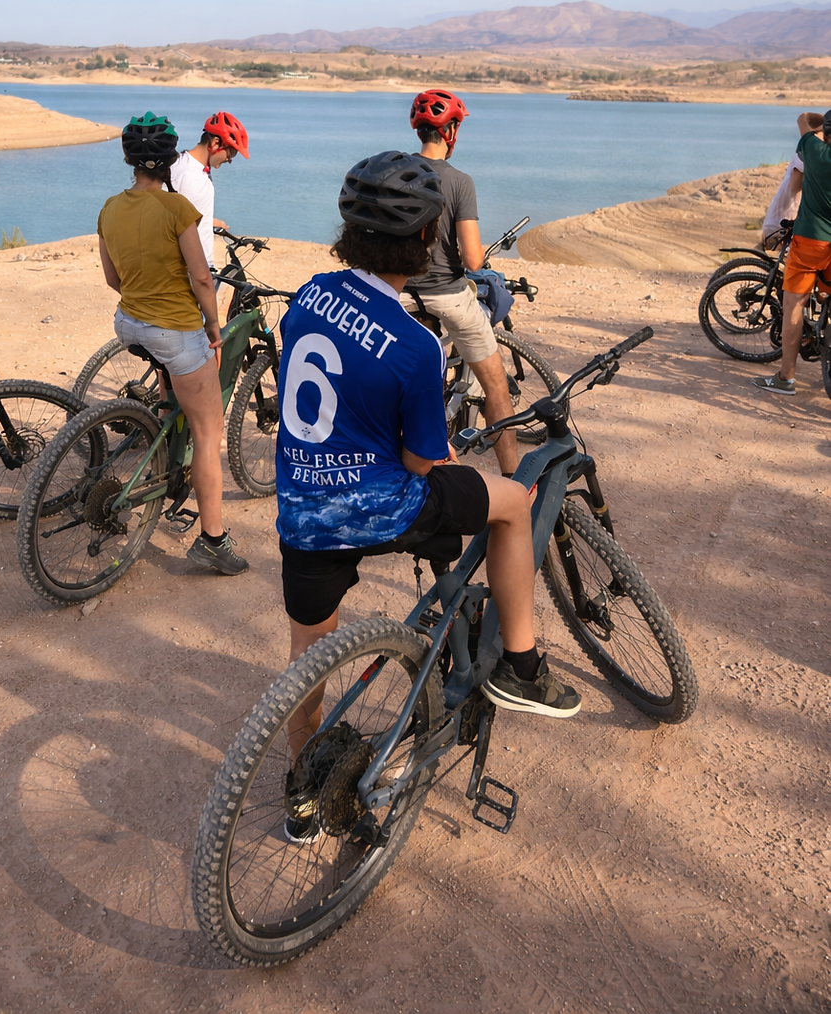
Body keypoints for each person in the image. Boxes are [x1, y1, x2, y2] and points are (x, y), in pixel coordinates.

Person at [275, 150, 580, 842]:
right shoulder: (416, 343)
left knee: (306, 659)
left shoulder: (309, 293)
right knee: (508, 501)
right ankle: (525, 667)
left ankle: (300, 799)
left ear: (348, 234)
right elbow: (422, 460)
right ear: (423, 241)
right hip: (377, 506)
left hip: (299, 510)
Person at [96, 112, 247, 574]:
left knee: (173, 384)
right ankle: (212, 540)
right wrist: (215, 328)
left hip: (128, 322)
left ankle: (162, 453)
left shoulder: (109, 208)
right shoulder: (178, 208)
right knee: (208, 431)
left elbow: (113, 278)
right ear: (168, 161)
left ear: (129, 160)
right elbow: (202, 277)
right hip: (173, 330)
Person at [400, 89, 517, 476]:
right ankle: (516, 481)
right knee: (497, 387)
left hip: (400, 295)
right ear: (450, 131)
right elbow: (472, 259)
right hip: (447, 296)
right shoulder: (460, 181)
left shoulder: (397, 172)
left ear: (419, 131)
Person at [753, 110, 831, 397]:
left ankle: (786, 377)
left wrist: (820, 122)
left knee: (794, 305)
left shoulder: (815, 150)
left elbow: (802, 120)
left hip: (811, 242)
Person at [169, 111, 250, 270]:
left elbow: (181, 215)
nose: (230, 159)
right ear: (215, 143)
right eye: (231, 151)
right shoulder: (192, 177)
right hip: (194, 269)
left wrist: (210, 221)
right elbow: (179, 230)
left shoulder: (183, 162)